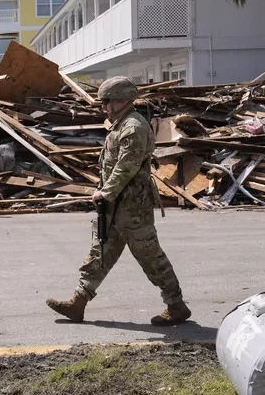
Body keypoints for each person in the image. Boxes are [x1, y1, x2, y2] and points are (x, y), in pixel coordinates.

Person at [46, 76, 191, 326]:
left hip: (132, 208)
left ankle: (176, 306)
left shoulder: (133, 127)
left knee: (151, 258)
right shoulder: (120, 124)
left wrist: (106, 192)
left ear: (123, 100)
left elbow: (127, 166)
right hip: (115, 206)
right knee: (100, 252)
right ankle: (78, 303)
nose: (105, 108)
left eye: (108, 102)